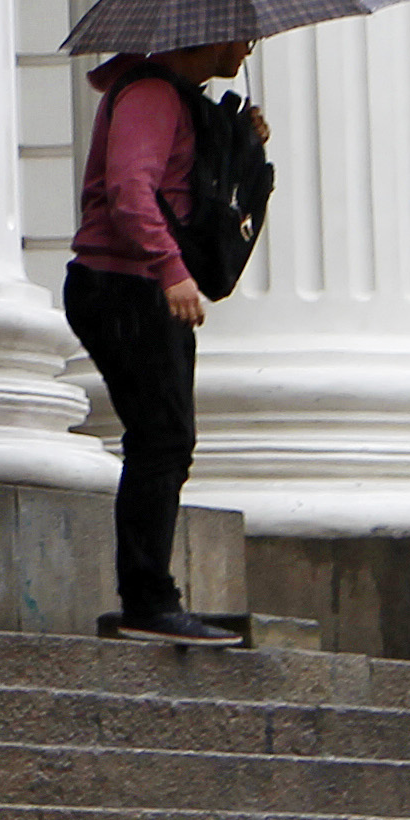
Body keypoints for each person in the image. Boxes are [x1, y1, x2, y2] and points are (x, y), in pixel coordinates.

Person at [64, 36, 261, 645]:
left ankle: (148, 597)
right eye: (241, 30)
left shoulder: (178, 97)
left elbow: (179, 183)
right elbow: (129, 188)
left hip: (134, 286)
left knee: (165, 438)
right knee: (161, 438)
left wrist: (240, 140)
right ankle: (147, 602)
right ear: (208, 33)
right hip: (124, 285)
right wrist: (170, 269)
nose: (249, 43)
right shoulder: (150, 93)